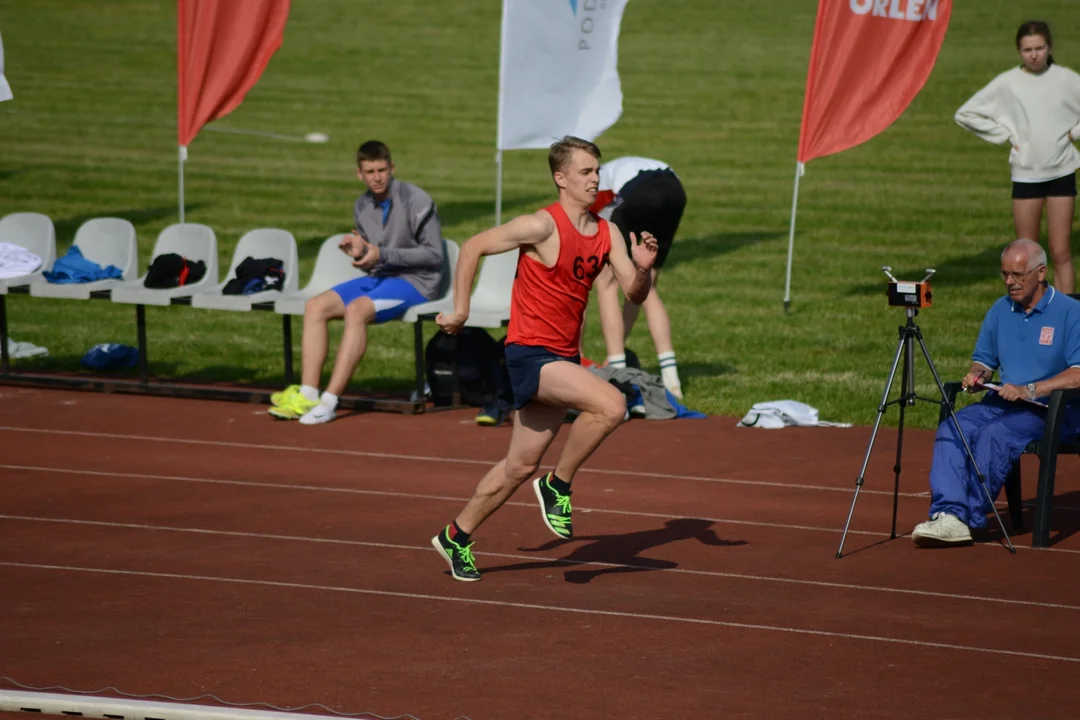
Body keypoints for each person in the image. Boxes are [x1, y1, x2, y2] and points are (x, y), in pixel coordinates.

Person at [430, 136, 658, 581]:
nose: (596, 179)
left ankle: (457, 535)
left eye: (597, 171)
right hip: (528, 355)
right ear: (561, 178)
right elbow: (474, 245)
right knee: (612, 405)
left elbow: (634, 291)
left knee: (518, 466)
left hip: (562, 357)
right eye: (586, 172)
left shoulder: (606, 232)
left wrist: (644, 266)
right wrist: (461, 309)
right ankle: (558, 485)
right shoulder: (541, 226)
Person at [912, 238, 1080, 547]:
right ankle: (948, 514)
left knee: (995, 434)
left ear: (1041, 273)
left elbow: (1078, 374)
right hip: (1003, 402)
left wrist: (1029, 389)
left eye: (1017, 275)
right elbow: (984, 361)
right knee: (954, 427)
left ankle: (967, 517)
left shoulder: (1071, 313)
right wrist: (977, 375)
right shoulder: (1000, 310)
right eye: (1004, 274)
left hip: (1052, 411)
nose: (1009, 282)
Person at [269, 140, 445, 424]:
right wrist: (361, 252)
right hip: (382, 278)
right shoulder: (362, 205)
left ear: (392, 168)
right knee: (315, 306)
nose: (376, 177)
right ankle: (309, 393)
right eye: (370, 171)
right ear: (359, 174)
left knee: (357, 310)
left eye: (381, 170)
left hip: (417, 282)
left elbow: (434, 256)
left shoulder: (417, 200)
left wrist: (381, 254)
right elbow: (376, 254)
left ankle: (329, 401)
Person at [954, 20, 1080, 294]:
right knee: (1028, 253)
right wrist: (1006, 135)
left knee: (1061, 252)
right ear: (1018, 51)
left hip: (1062, 171)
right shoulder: (1007, 83)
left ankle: (1070, 317)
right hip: (1026, 174)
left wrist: (1074, 134)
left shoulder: (1067, 79)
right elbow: (965, 114)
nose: (1034, 55)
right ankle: (1031, 316)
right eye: (1027, 49)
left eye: (1040, 48)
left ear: (1050, 48)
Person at [589, 156, 687, 398]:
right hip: (675, 191)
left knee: (607, 283)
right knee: (646, 285)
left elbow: (588, 221)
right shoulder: (618, 167)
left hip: (640, 193)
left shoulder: (595, 181)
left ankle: (617, 370)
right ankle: (671, 376)